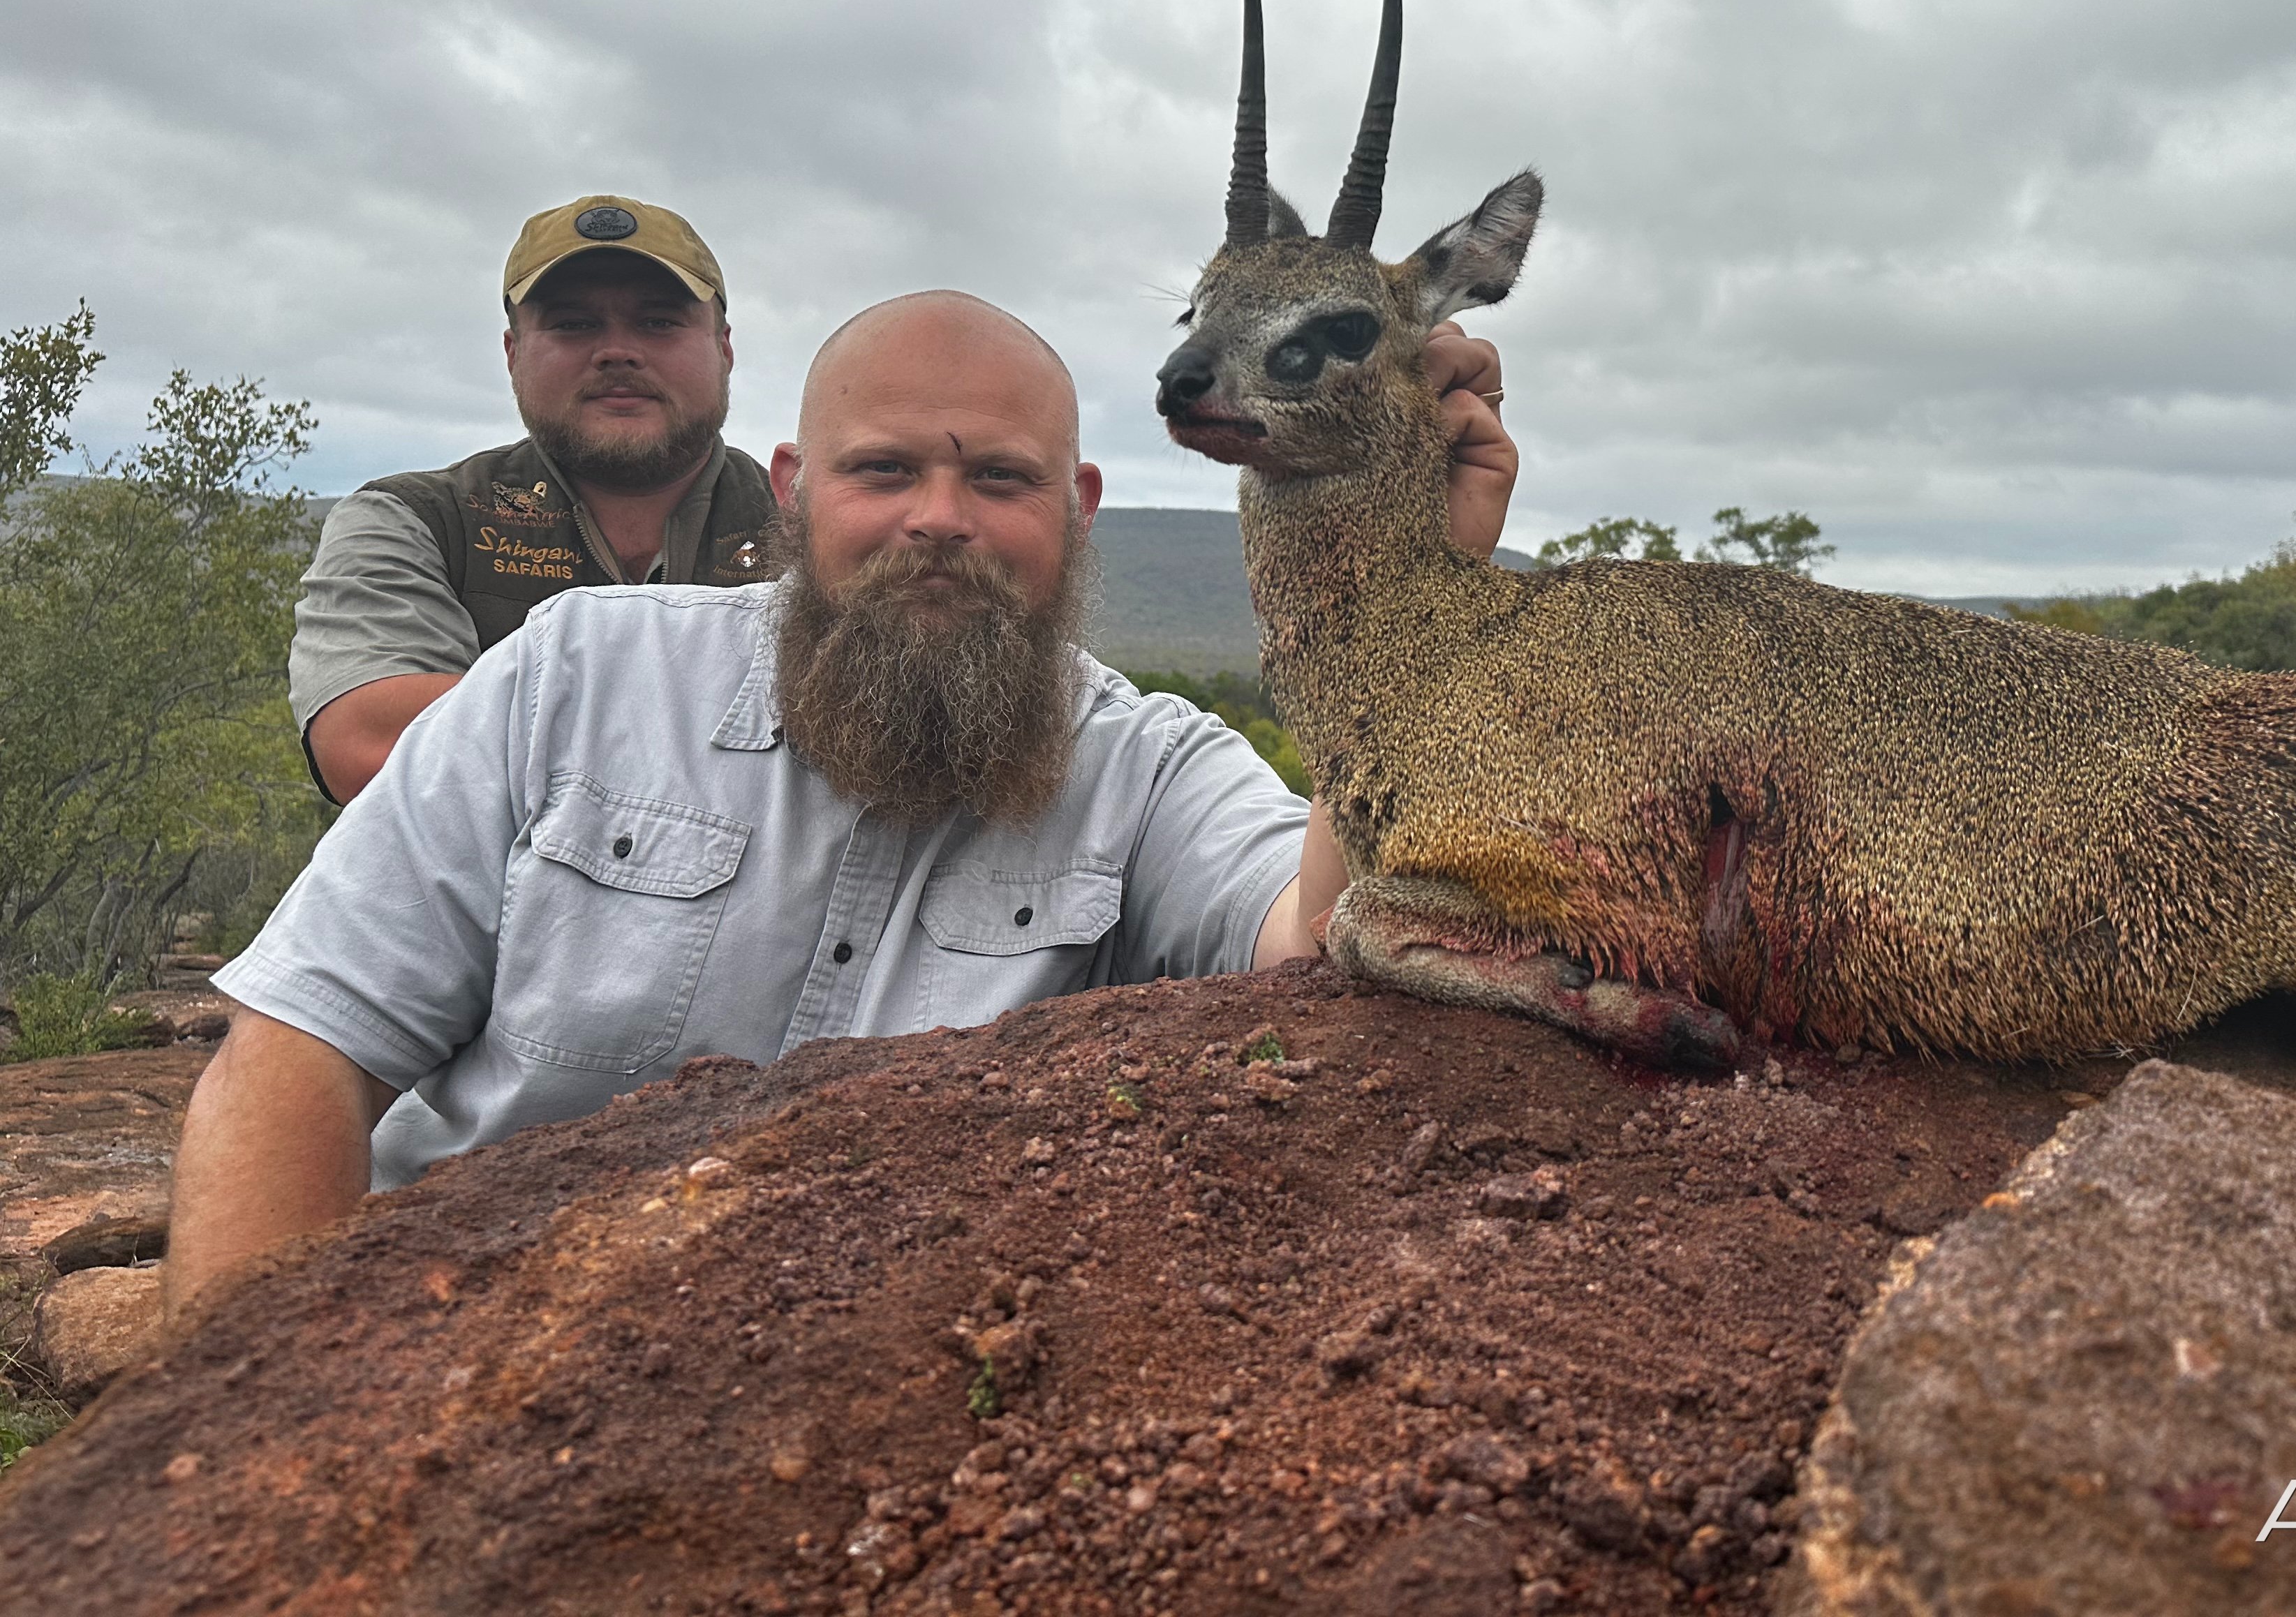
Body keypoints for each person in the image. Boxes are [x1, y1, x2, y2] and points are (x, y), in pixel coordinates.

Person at [168, 290, 1515, 1316]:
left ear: (1080, 506)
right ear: (796, 490)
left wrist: (1393, 594)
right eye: (884, 471)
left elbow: (1314, 937)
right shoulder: (573, 675)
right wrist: (228, 1446)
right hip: (454, 1341)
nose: (940, 517)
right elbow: (303, 1051)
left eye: (999, 477)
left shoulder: (1150, 766)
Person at [291, 195, 776, 805]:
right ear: (513, 354)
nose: (617, 350)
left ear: (724, 349)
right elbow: (372, 747)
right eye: (573, 324)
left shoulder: (813, 525)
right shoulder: (410, 521)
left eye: (659, 322)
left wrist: (506, 724)